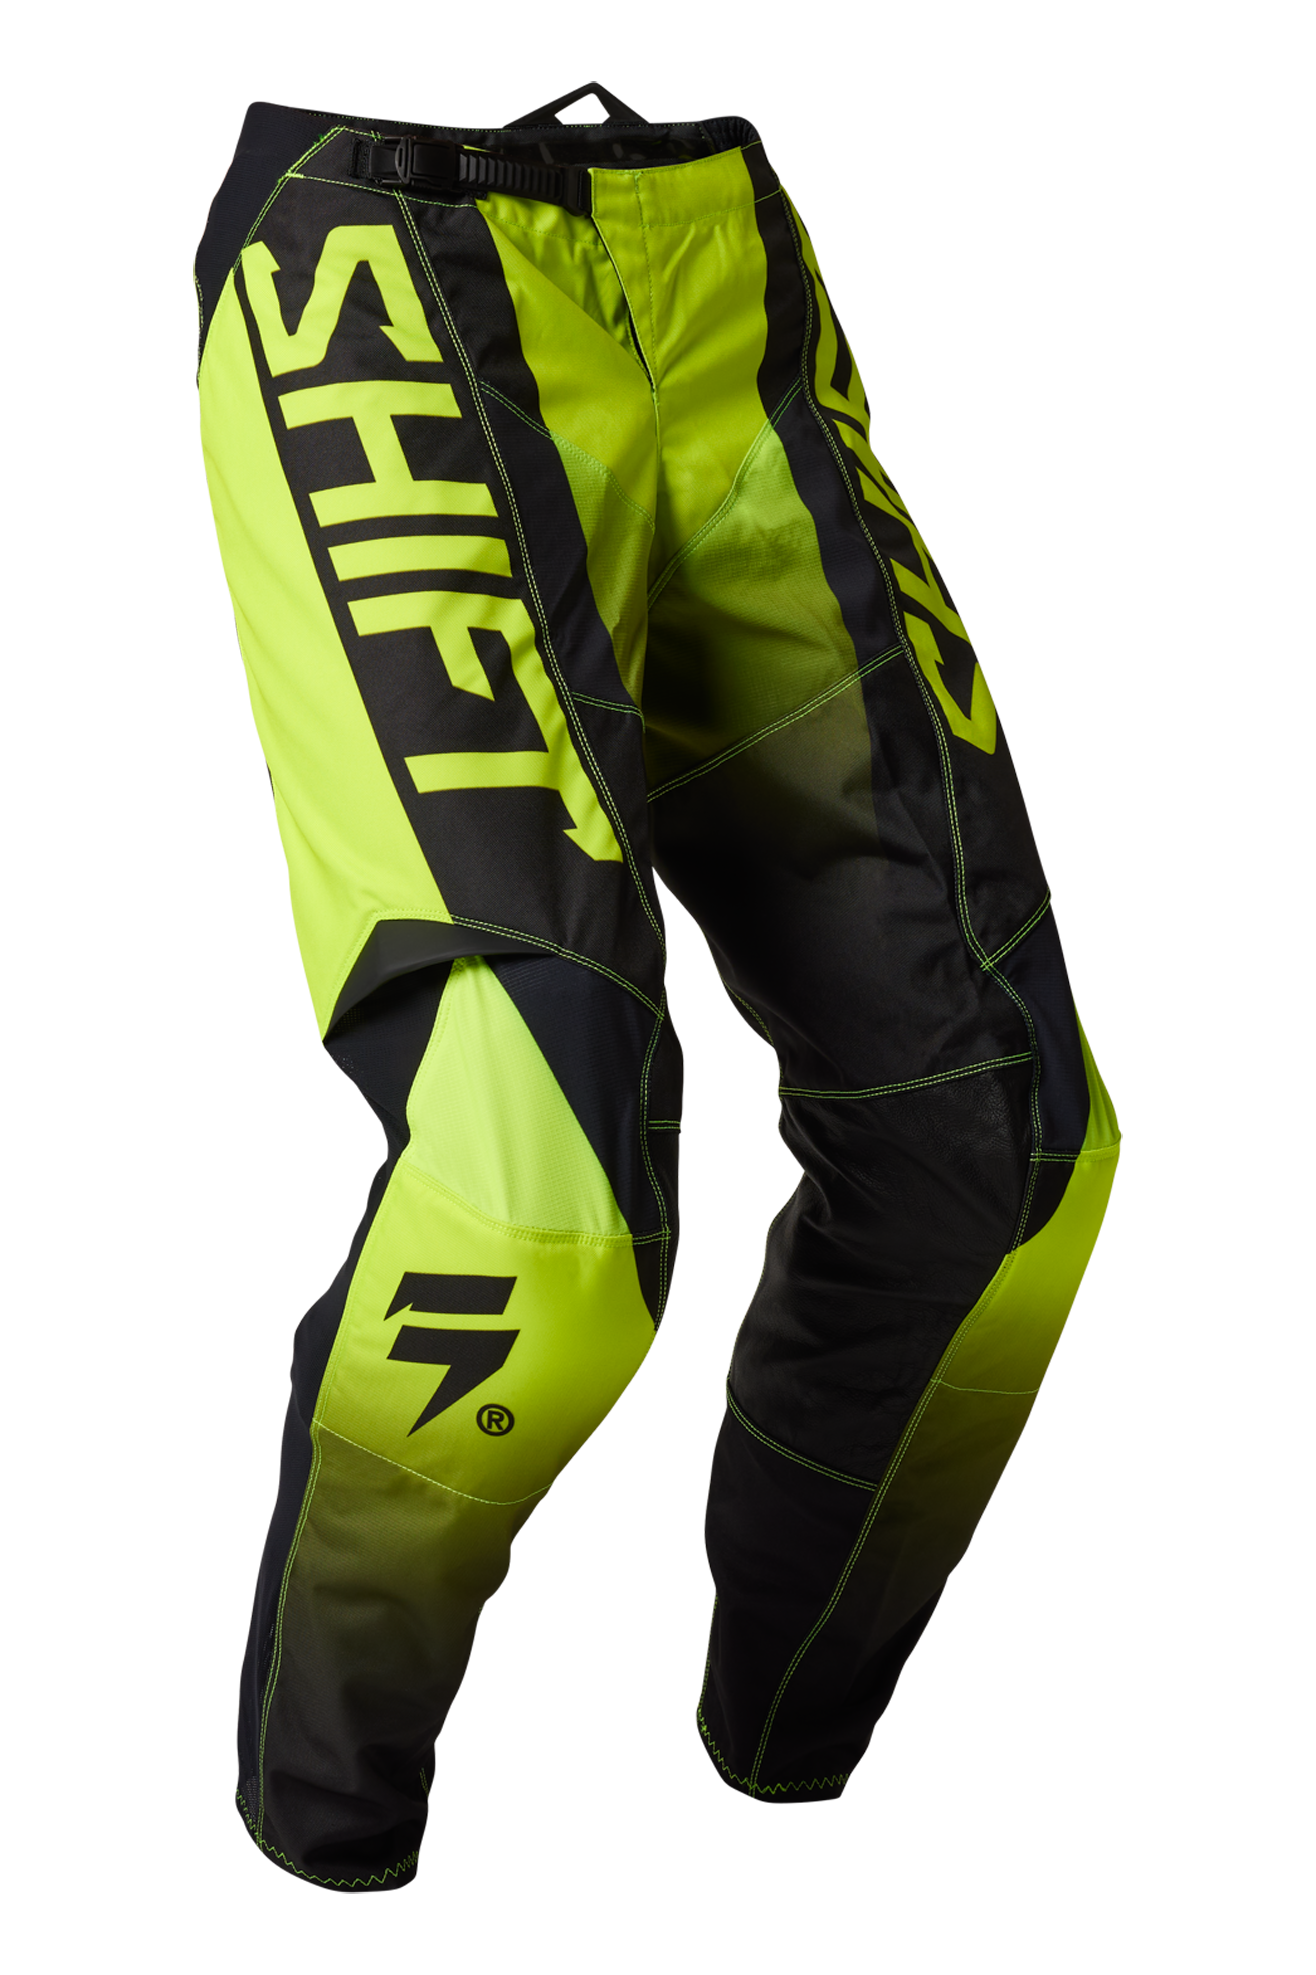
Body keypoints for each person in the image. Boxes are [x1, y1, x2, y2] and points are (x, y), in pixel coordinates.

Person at [196, 95, 1119, 1891]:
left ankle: (776, 1836)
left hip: (716, 252)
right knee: (532, 1203)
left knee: (994, 1158)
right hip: (379, 237)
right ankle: (318, 1870)